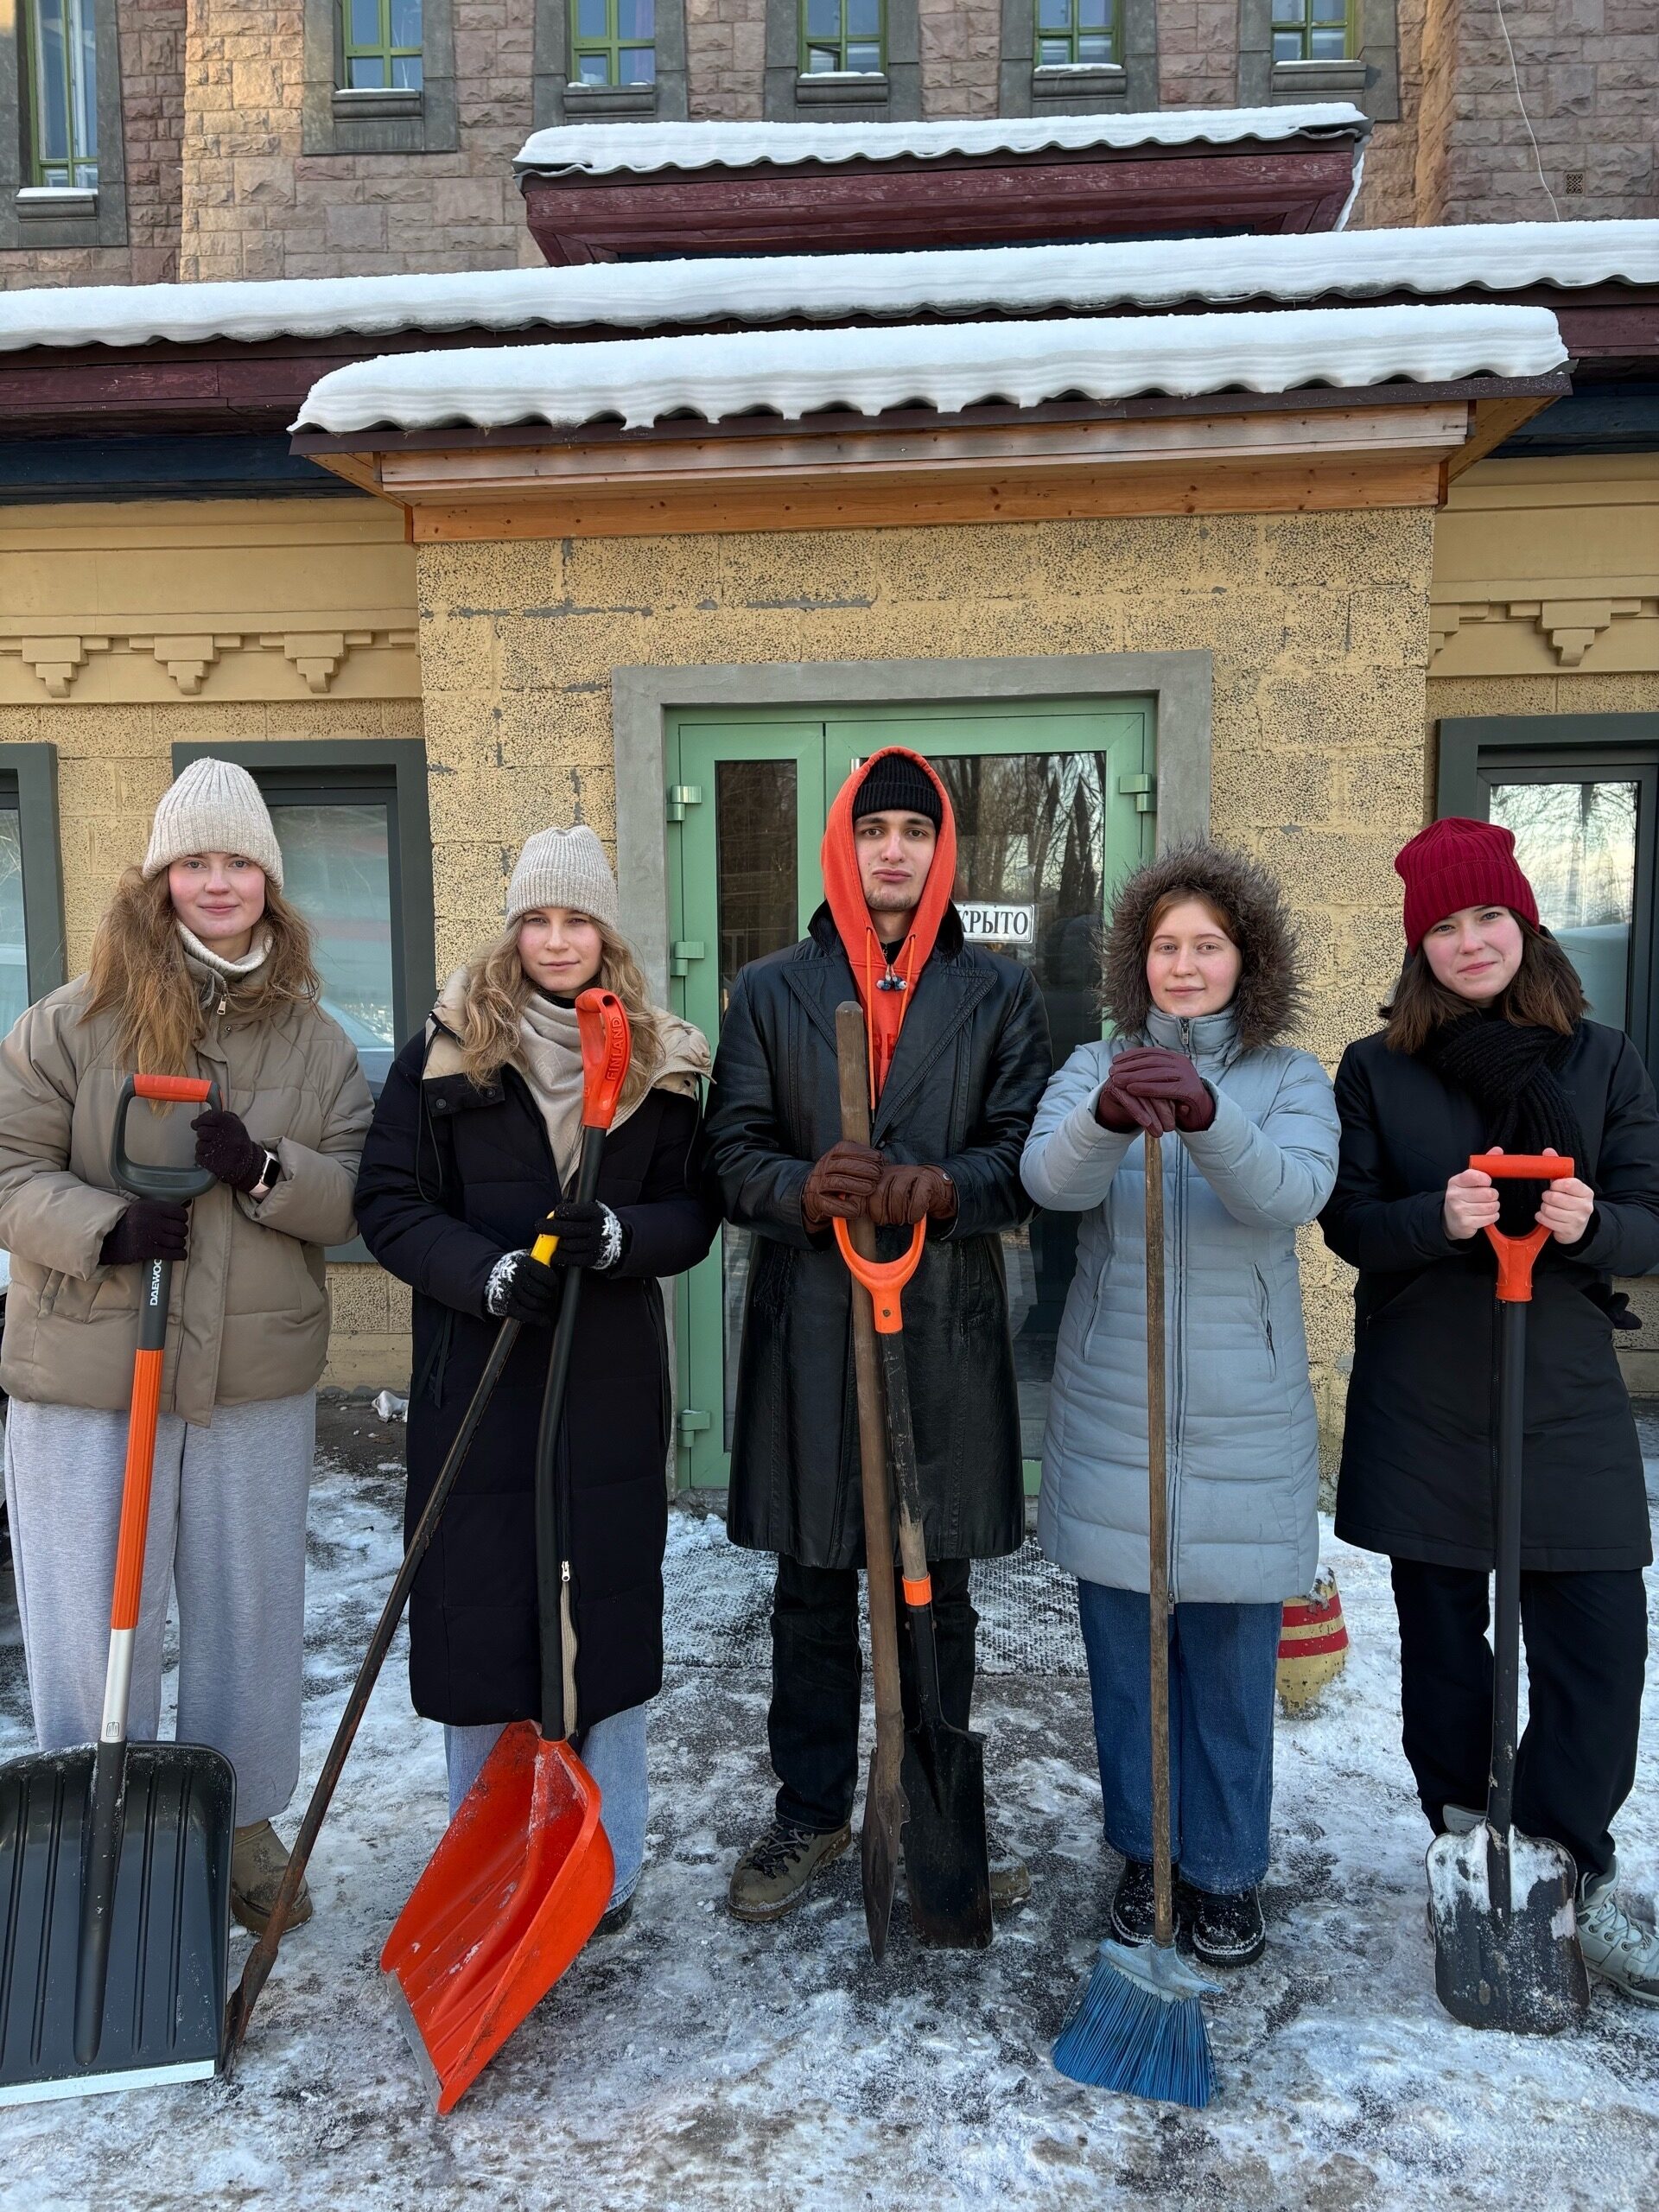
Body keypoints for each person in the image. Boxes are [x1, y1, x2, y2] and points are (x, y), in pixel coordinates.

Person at [0, 756, 372, 1934]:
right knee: (85, 1609)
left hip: (251, 1376)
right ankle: (86, 1813)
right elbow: (10, 1171)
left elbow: (362, 1192)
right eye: (195, 862)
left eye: (240, 861)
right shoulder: (70, 1023)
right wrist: (106, 1227)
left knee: (247, 1607)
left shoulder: (317, 1042)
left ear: (270, 878)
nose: (219, 883)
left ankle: (241, 1823)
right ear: (159, 880)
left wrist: (265, 1172)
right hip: (88, 1375)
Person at [704, 746, 1051, 1923]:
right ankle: (811, 1810)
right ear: (841, 851)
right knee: (810, 1582)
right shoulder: (770, 991)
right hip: (811, 1325)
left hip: (940, 1327)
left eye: (914, 831)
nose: (892, 850)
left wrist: (942, 1188)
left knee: (933, 1582)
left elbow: (1023, 1156)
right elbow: (727, 1154)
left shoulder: (997, 994)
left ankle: (933, 1805)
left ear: (942, 851)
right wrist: (809, 1187)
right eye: (872, 831)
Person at [1322, 815, 1659, 2002]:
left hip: (1561, 1385)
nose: (1471, 942)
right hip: (1428, 1384)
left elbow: (1649, 1213)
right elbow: (1350, 1223)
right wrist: (1438, 1219)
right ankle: (1466, 1827)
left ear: (1526, 925)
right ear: (1421, 945)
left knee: (1602, 1639)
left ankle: (1570, 1853)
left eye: (1490, 919)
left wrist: (1596, 1226)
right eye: (1447, 926)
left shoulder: (1602, 1060)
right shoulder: (1378, 1069)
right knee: (1446, 1639)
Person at [353, 826, 713, 1930]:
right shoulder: (454, 1049)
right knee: (484, 1602)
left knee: (603, 1601)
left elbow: (698, 1209)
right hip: (486, 1369)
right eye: (538, 918)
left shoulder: (661, 1057)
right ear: (514, 928)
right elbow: (390, 1204)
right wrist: (489, 1271)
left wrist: (619, 1238)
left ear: (607, 930)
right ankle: (487, 1843)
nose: (558, 940)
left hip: (604, 1377)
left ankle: (607, 1850)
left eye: (578, 918)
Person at [1021, 842, 1338, 1968]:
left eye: (1208, 944)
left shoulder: (1291, 1078)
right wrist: (1109, 1112)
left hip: (1244, 1416)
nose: (1186, 964)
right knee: (1126, 1660)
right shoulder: (1091, 1060)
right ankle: (1144, 1855)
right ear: (1136, 962)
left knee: (1230, 1660)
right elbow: (1048, 1184)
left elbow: (1292, 1193)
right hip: (1118, 1409)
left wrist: (1209, 1112)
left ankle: (1224, 1874)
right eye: (1167, 946)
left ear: (1245, 958)